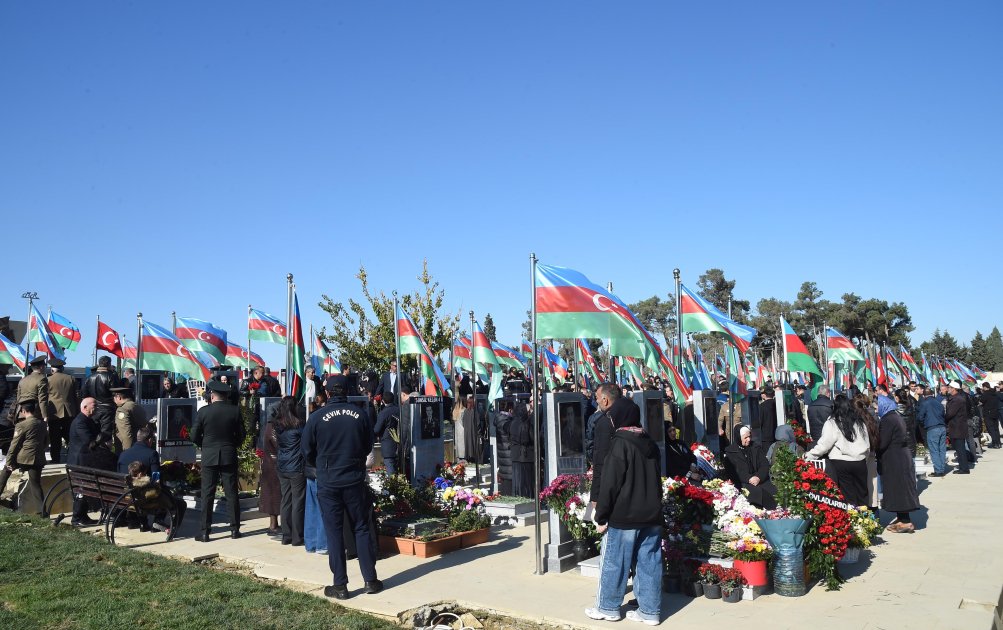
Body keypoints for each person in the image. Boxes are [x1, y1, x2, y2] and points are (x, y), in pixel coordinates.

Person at [302, 375, 381, 600]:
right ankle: (370, 580)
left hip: (329, 480)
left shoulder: (317, 417)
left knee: (334, 532)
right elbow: (368, 445)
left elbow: (307, 450)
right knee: (361, 528)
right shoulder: (360, 415)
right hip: (353, 478)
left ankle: (340, 585)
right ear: (348, 391)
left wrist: (323, 464)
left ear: (327, 393)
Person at [587, 396, 662, 626]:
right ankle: (649, 611)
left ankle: (608, 607)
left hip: (624, 515)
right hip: (651, 515)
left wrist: (601, 515)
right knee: (649, 564)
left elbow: (610, 483)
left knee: (615, 563)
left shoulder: (620, 443)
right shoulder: (649, 443)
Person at [191, 381, 246, 541]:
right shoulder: (234, 411)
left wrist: (204, 445)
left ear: (212, 395)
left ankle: (205, 532)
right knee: (231, 493)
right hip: (228, 454)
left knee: (207, 494)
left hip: (209, 455)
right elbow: (242, 435)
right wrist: (231, 445)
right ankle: (235, 530)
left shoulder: (204, 411)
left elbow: (194, 435)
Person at [805, 396, 870, 506]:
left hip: (841, 462)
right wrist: (864, 458)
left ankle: (852, 515)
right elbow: (867, 444)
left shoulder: (832, 422)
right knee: (862, 494)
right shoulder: (859, 422)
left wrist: (809, 455)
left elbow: (824, 445)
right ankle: (864, 515)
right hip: (860, 461)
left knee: (848, 495)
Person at [589, 383, 641, 508]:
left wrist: (596, 495)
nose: (596, 401)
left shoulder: (605, 422)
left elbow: (601, 458)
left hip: (615, 485)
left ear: (605, 400)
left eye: (597, 397)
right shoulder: (631, 413)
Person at [875, 395, 920, 532]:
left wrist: (873, 446)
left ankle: (905, 521)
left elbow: (883, 442)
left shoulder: (888, 419)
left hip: (895, 459)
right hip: (900, 457)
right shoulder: (894, 416)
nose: (876, 409)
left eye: (877, 406)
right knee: (900, 488)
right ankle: (901, 518)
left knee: (899, 489)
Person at [0, 400, 46, 515]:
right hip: (38, 458)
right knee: (36, 485)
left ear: (23, 411)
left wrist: (9, 462)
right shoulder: (42, 424)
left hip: (23, 458)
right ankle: (42, 512)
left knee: (5, 472)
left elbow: (14, 445)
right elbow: (46, 441)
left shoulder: (22, 425)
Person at [273, 396, 306, 546]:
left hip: (283, 465)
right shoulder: (299, 425)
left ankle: (286, 535)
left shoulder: (278, 425)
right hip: (296, 466)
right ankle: (297, 536)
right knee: (297, 501)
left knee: (286, 500)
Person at [723, 426, 776, 509]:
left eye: (749, 436)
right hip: (743, 482)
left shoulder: (755, 447)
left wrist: (758, 477)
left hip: (759, 479)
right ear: (739, 438)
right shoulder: (730, 452)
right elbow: (732, 471)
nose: (749, 439)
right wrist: (749, 478)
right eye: (745, 437)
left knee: (774, 492)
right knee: (756, 494)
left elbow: (764, 464)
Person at [67, 397, 99, 526]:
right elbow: (89, 441)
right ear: (85, 407)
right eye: (94, 405)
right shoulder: (80, 421)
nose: (96, 408)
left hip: (85, 461)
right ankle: (77, 518)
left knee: (86, 490)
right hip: (79, 462)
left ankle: (83, 516)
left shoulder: (88, 420)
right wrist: (100, 439)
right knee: (81, 490)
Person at [45, 357, 78, 463]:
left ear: (52, 369)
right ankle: (73, 458)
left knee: (54, 437)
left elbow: (44, 397)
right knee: (70, 436)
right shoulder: (71, 378)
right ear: (62, 368)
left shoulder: (48, 380)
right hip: (69, 411)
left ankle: (55, 459)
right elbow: (76, 396)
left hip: (53, 412)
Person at [81, 355, 120, 443]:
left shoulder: (89, 377)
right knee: (106, 435)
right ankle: (104, 450)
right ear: (109, 364)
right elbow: (116, 394)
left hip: (93, 409)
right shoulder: (111, 376)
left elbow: (84, 395)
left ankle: (95, 448)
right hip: (108, 410)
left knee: (95, 433)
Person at [373, 387, 409, 476]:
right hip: (401, 444)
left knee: (391, 473)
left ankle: (394, 485)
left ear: (383, 401)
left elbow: (376, 429)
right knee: (400, 471)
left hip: (388, 445)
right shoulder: (399, 409)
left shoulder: (383, 413)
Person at [260, 403, 282, 537]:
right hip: (274, 465)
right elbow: (278, 445)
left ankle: (274, 524)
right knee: (274, 496)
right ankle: (273, 526)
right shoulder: (273, 427)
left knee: (273, 496)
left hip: (270, 465)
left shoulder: (269, 426)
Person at [916, 387, 948, 476]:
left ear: (924, 395)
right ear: (932, 394)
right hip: (942, 426)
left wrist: (923, 424)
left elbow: (920, 417)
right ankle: (941, 468)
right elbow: (943, 414)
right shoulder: (938, 402)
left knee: (934, 450)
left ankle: (938, 470)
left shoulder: (924, 403)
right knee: (942, 449)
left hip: (932, 427)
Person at [508, 401, 535, 498]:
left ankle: (517, 496)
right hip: (526, 456)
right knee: (526, 481)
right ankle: (527, 497)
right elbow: (530, 438)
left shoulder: (512, 423)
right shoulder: (526, 423)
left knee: (517, 479)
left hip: (515, 455)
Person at [945, 381, 973, 474]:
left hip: (958, 427)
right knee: (959, 449)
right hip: (956, 427)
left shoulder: (957, 399)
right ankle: (963, 467)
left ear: (954, 389)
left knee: (960, 449)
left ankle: (964, 468)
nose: (948, 389)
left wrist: (943, 417)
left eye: (949, 387)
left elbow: (950, 413)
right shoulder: (955, 398)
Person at [110, 386, 148, 451]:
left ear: (119, 397)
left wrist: (127, 452)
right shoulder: (137, 406)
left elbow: (126, 434)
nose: (114, 400)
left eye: (114, 397)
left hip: (127, 448)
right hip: (140, 446)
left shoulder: (122, 410)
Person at [16, 356, 50, 426]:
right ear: (41, 367)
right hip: (35, 413)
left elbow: (18, 398)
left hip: (22, 412)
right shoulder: (42, 379)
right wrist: (45, 416)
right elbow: (42, 399)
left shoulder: (23, 380)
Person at [979, 382, 1001, 449]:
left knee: (991, 429)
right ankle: (998, 443)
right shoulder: (994, 393)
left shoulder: (985, 394)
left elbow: (980, 402)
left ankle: (995, 443)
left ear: (984, 387)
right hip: (995, 412)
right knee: (996, 429)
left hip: (988, 413)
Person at [455, 396, 477, 461]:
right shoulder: (464, 410)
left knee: (460, 443)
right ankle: (465, 456)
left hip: (458, 429)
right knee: (465, 443)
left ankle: (460, 455)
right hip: (463, 429)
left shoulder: (455, 410)